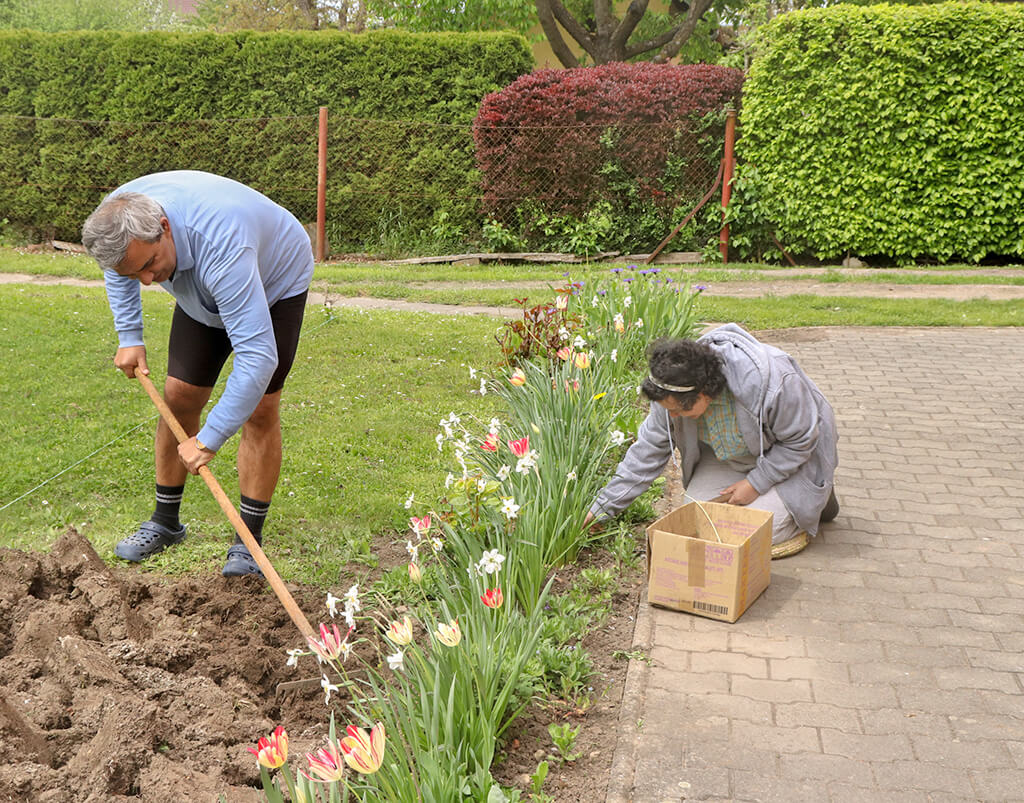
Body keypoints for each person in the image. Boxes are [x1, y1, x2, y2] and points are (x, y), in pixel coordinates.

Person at [82, 170, 315, 577]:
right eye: (135, 273)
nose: (149, 282)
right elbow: (121, 265)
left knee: (260, 407)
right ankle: (165, 522)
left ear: (165, 228)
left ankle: (247, 540)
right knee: (179, 396)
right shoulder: (119, 218)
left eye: (151, 265)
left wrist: (209, 440)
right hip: (201, 283)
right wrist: (130, 335)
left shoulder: (222, 242)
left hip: (274, 277)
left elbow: (258, 356)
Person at [587, 324, 839, 558]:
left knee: (750, 534)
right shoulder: (670, 391)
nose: (671, 416)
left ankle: (814, 495)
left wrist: (755, 483)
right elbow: (647, 452)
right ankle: (799, 499)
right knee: (700, 524)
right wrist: (601, 508)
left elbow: (799, 441)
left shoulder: (771, 381)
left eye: (679, 412)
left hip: (795, 454)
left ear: (705, 392)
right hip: (734, 457)